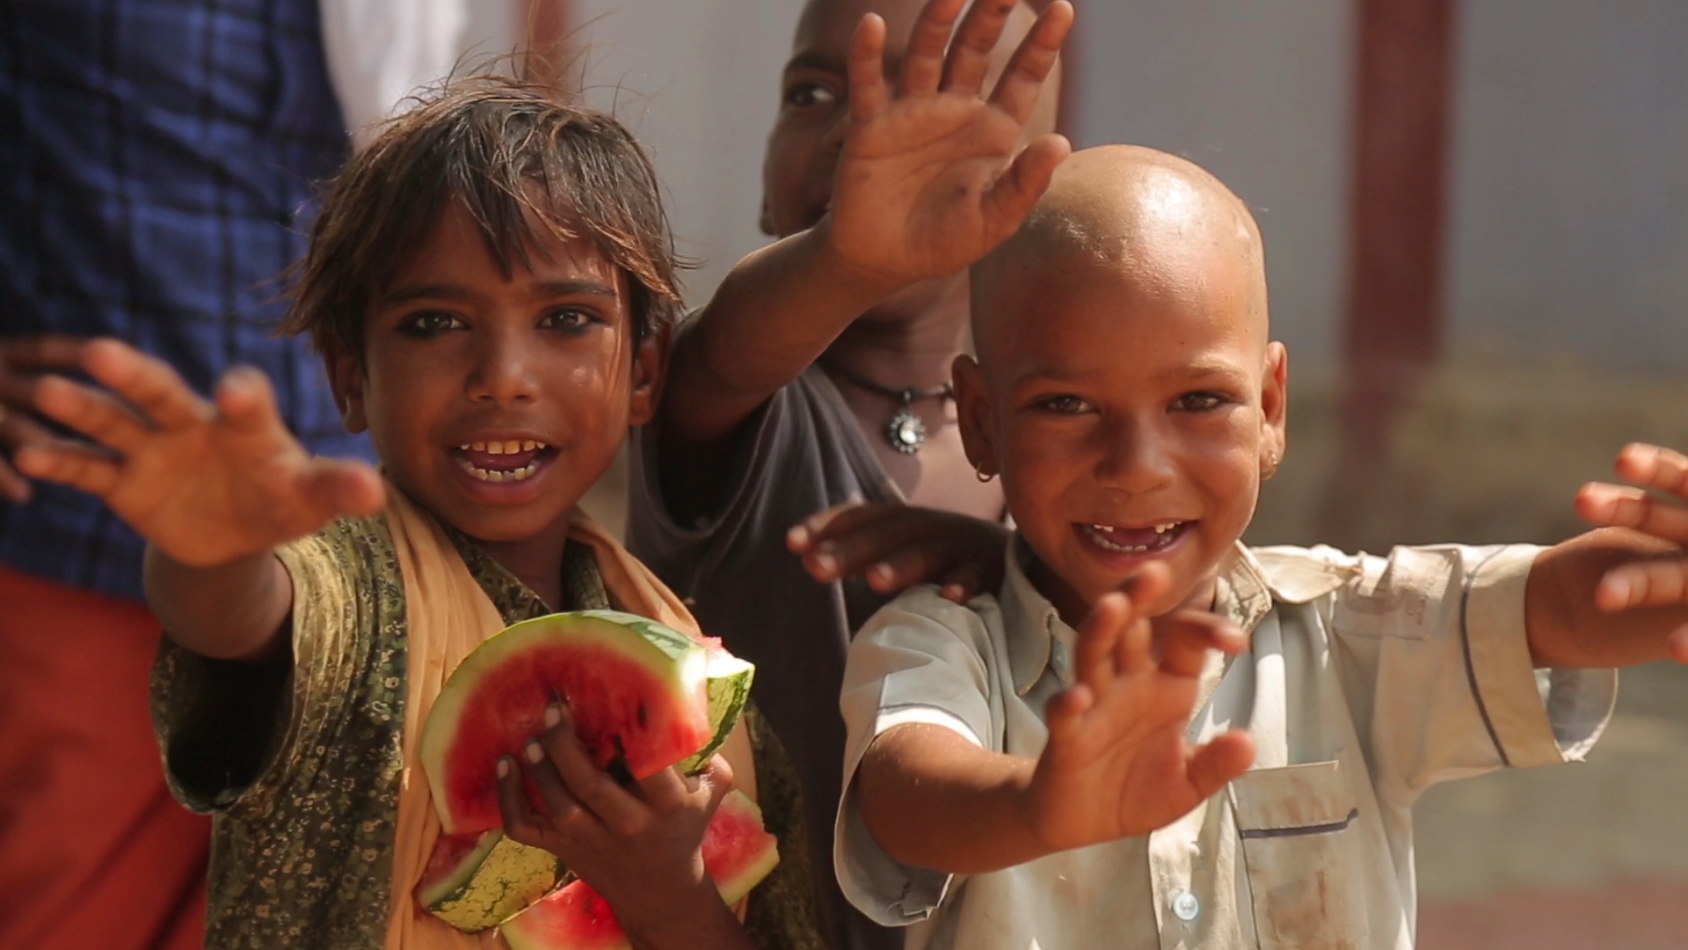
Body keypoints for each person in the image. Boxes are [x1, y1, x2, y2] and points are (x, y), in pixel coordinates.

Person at [833, 144, 1688, 949]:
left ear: (1272, 408)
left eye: (1199, 401)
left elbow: (1563, 609)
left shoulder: (1349, 634)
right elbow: (904, 789)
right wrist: (1040, 806)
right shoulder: (944, 645)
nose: (1137, 467)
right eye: (1066, 405)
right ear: (980, 421)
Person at [15, 77, 784, 950]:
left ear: (645, 371)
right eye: (434, 323)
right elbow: (249, 615)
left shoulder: (700, 678)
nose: (503, 374)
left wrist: (668, 896)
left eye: (566, 318)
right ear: (349, 374)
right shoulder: (358, 581)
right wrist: (210, 551)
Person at [627, 1, 1067, 945]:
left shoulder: (1064, 449)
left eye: (930, 97)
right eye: (813, 92)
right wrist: (845, 259)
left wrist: (1019, 571)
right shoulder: (740, 409)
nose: (862, 131)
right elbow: (723, 357)